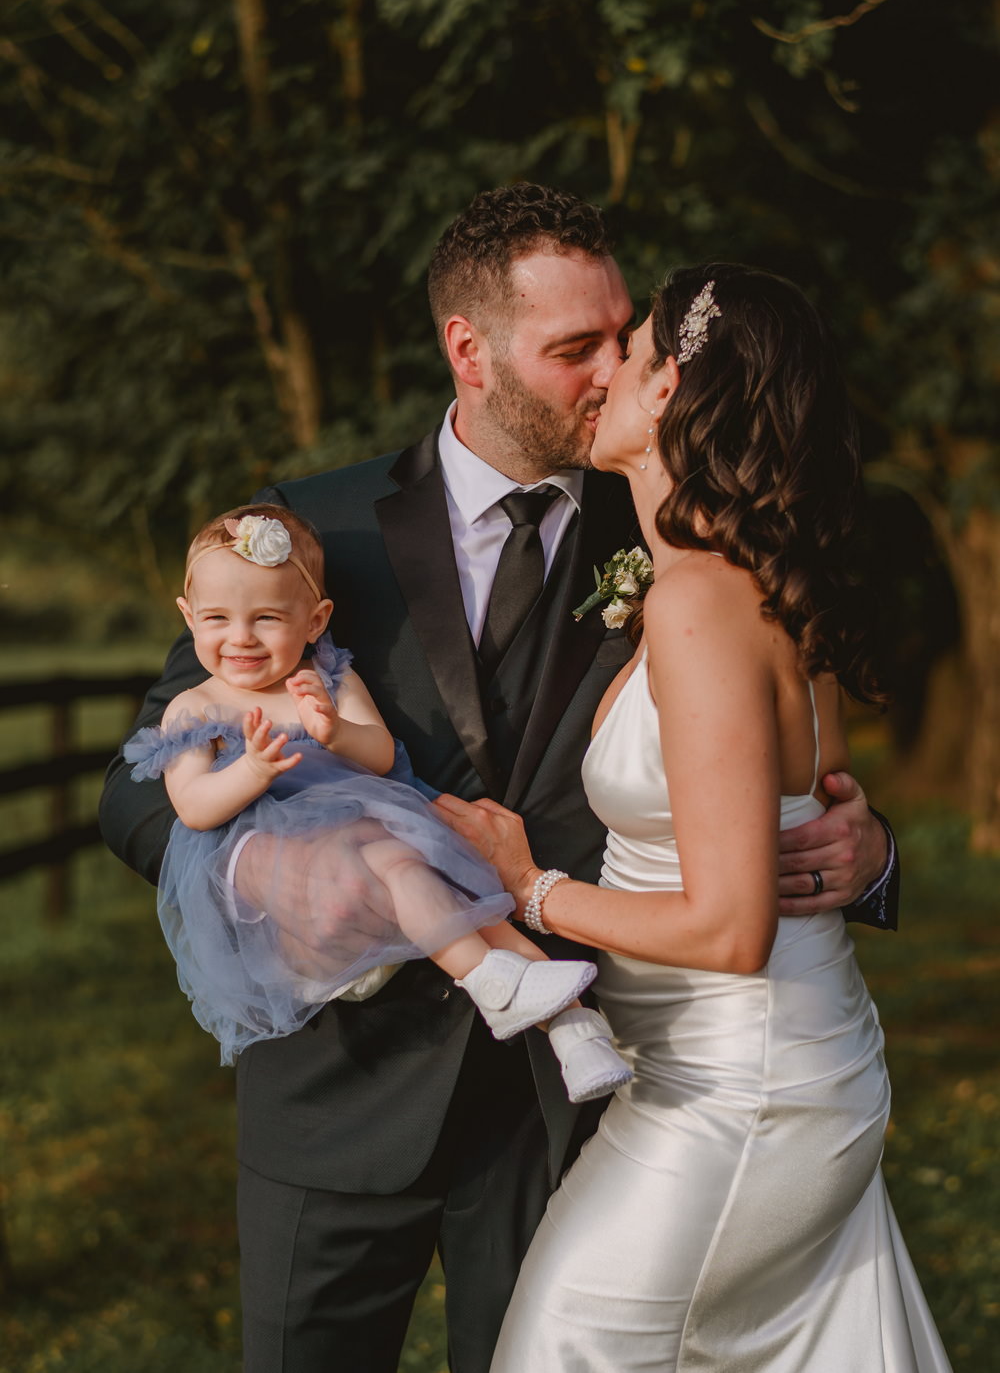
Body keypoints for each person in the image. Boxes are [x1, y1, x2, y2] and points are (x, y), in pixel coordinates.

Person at [99, 184, 897, 1373]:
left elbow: (767, 741)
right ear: (468, 350)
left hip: (571, 1105)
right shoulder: (313, 533)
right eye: (572, 347)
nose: (604, 373)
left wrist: (869, 852)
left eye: (617, 341)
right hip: (337, 1092)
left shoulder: (673, 529)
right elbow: (138, 780)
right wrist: (267, 869)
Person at [436, 263, 951, 1371]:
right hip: (732, 1071)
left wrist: (533, 890)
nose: (600, 373)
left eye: (624, 351)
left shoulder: (700, 602)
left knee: (556, 1346)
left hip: (741, 1093)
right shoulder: (754, 578)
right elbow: (819, 801)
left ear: (668, 388)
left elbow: (732, 930)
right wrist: (860, 841)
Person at [124, 502, 629, 1103]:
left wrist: (334, 730)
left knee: (477, 901)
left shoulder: (330, 678)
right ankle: (494, 981)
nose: (240, 638)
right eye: (215, 618)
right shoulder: (196, 708)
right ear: (187, 617)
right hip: (295, 864)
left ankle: (574, 1030)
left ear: (315, 620)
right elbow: (196, 808)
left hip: (377, 824)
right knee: (414, 873)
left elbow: (384, 757)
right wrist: (255, 769)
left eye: (266, 618)